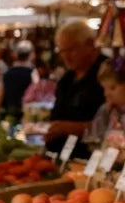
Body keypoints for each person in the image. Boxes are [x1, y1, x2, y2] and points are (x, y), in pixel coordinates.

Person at [45, 18, 106, 154]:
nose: (66, 57)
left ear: (90, 44)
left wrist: (70, 128)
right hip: (62, 159)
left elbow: (112, 126)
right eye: (62, 51)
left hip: (92, 160)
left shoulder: (109, 74)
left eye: (71, 50)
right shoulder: (66, 80)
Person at [0, 41, 34, 122]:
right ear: (31, 55)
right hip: (28, 120)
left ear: (15, 55)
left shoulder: (6, 75)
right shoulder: (34, 74)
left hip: (9, 120)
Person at [87, 63, 125, 152]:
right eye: (104, 88)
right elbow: (94, 140)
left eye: (112, 88)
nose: (106, 94)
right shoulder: (105, 110)